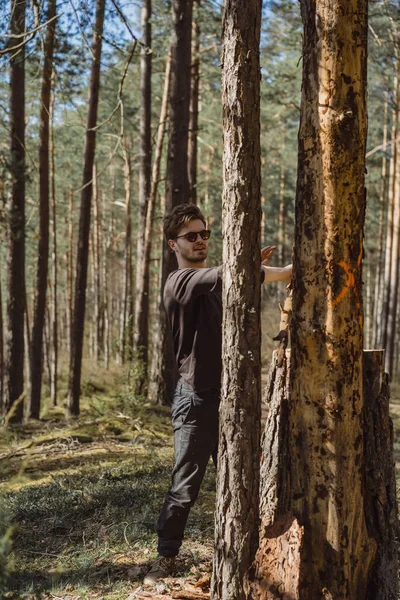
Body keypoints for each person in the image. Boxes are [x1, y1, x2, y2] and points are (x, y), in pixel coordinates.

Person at [144, 203, 292, 584]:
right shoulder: (179, 283)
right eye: (190, 236)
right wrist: (251, 266)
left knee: (244, 479)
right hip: (195, 400)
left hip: (231, 399)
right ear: (172, 244)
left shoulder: (212, 283)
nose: (199, 241)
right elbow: (229, 275)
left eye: (204, 234)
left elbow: (241, 277)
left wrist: (285, 272)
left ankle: (253, 553)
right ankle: (165, 559)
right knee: (185, 487)